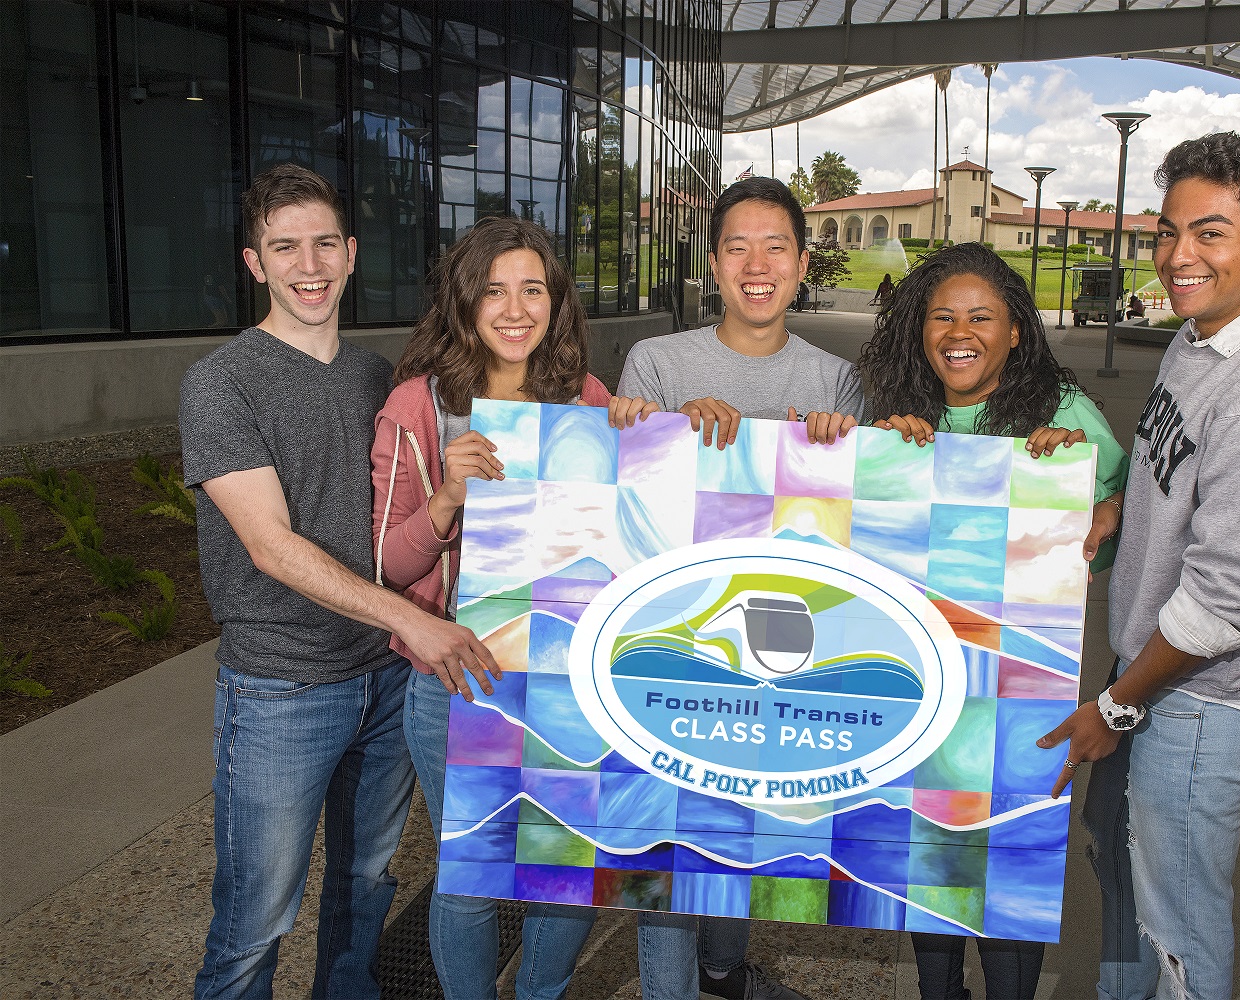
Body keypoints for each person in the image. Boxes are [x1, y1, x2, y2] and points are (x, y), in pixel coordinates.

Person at [521, 176, 860, 1000]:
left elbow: (856, 529)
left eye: (775, 245)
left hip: (779, 649)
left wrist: (842, 446)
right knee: (673, 847)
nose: (757, 263)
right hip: (677, 647)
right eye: (737, 245)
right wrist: (663, 430)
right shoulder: (658, 363)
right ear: (713, 263)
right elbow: (623, 504)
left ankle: (722, 969)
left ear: (802, 262)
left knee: (741, 825)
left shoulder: (836, 382)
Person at [181, 162, 500, 999]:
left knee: (363, 895)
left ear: (352, 253)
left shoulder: (377, 379)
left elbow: (416, 522)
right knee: (256, 924)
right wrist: (417, 621)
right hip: (282, 688)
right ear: (255, 264)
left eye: (325, 242)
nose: (308, 263)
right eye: (284, 247)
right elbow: (272, 548)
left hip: (387, 682)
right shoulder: (220, 383)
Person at [1038, 132, 1240, 1000]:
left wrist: (1115, 706)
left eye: (1210, 234)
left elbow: (1232, 600)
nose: (1178, 256)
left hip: (1204, 699)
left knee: (1178, 924)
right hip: (1150, 669)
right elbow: (1178, 469)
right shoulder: (1203, 337)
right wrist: (1119, 507)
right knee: (1126, 876)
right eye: (1169, 232)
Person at [370, 215, 656, 1000]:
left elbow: (631, 531)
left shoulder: (585, 398)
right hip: (452, 681)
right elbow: (389, 567)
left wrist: (641, 437)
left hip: (564, 677)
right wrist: (447, 497)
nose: (514, 307)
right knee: (469, 876)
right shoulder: (419, 408)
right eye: (493, 290)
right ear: (464, 304)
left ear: (557, 302)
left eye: (533, 288)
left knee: (561, 866)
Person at [858, 242, 1127, 1000]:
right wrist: (877, 455)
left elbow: (1117, 530)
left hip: (1017, 689)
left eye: (981, 316)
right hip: (920, 684)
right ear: (919, 329)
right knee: (933, 857)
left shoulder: (1064, 414)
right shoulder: (901, 417)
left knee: (1006, 858)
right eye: (941, 316)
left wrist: (1078, 487)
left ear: (1016, 331)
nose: (958, 331)